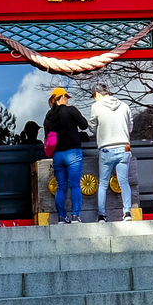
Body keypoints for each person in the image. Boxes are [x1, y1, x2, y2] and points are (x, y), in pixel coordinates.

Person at [43, 87, 91, 225]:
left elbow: (47, 137)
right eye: (66, 97)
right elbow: (84, 125)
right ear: (61, 98)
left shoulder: (48, 116)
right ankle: (75, 216)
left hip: (57, 155)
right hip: (72, 153)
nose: (67, 100)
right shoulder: (71, 111)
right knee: (75, 185)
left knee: (61, 186)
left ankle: (61, 217)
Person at [90, 86, 138, 221]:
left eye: (94, 96)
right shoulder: (125, 106)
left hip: (106, 149)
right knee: (124, 182)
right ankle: (127, 212)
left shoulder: (96, 107)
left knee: (103, 184)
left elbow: (92, 127)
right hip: (124, 148)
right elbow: (130, 128)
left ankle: (101, 215)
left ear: (98, 94)